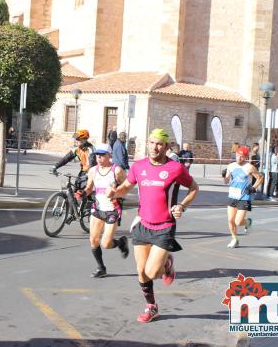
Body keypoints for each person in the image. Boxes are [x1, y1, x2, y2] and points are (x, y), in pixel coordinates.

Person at [106, 128, 199, 323]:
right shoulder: (139, 166)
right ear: (147, 143)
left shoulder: (176, 168)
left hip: (164, 226)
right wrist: (114, 192)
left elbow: (194, 188)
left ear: (166, 146)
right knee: (141, 272)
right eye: (151, 143)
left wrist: (181, 205)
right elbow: (126, 187)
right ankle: (151, 306)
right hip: (142, 223)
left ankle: (166, 264)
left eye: (159, 144)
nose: (154, 147)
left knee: (152, 273)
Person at [81, 143, 128, 278]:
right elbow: (89, 188)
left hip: (112, 210)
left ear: (110, 156)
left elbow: (126, 188)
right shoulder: (93, 171)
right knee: (93, 241)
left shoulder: (117, 171)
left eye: (102, 156)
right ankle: (101, 268)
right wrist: (82, 193)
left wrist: (115, 192)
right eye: (97, 155)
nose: (99, 158)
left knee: (106, 243)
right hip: (98, 208)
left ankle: (121, 243)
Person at [223, 145, 263, 248]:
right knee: (230, 220)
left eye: (241, 156)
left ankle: (248, 222)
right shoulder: (231, 166)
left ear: (245, 157)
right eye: (237, 155)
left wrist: (253, 188)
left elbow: (260, 178)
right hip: (232, 196)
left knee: (238, 221)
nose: (238, 158)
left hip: (245, 197)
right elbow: (226, 181)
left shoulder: (249, 167)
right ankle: (234, 239)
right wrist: (224, 176)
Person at [51, 129, 97, 199]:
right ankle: (74, 208)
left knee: (85, 191)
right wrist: (55, 166)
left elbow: (92, 163)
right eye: (76, 139)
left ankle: (87, 207)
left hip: (91, 172)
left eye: (78, 139)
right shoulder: (77, 149)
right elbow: (66, 158)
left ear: (84, 139)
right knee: (76, 189)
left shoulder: (90, 149)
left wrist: (89, 174)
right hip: (83, 172)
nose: (76, 141)